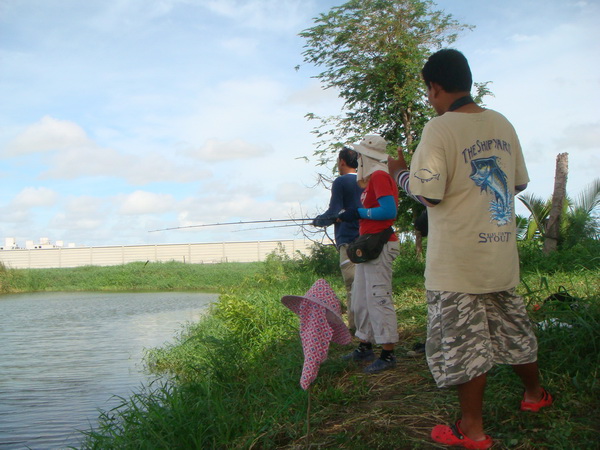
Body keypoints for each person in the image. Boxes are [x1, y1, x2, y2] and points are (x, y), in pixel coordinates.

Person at [388, 49, 552, 449]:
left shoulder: (439, 129)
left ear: (436, 87)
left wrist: (400, 175)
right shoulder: (502, 123)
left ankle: (473, 432)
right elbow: (516, 184)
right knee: (514, 329)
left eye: (428, 90)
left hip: (455, 265)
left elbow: (430, 196)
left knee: (465, 347)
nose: (429, 98)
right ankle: (534, 396)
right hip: (498, 256)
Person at [338, 134, 400, 374]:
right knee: (361, 298)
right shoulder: (374, 178)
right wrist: (350, 214)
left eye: (361, 153)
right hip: (368, 244)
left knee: (378, 297)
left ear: (368, 156)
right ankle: (365, 346)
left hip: (380, 245)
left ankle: (388, 353)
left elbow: (388, 210)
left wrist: (359, 213)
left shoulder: (381, 176)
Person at [312, 147, 364, 329]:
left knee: (353, 286)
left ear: (342, 161)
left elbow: (333, 213)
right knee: (369, 285)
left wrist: (318, 221)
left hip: (349, 240)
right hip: (370, 240)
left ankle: (356, 328)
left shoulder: (341, 181)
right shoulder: (366, 180)